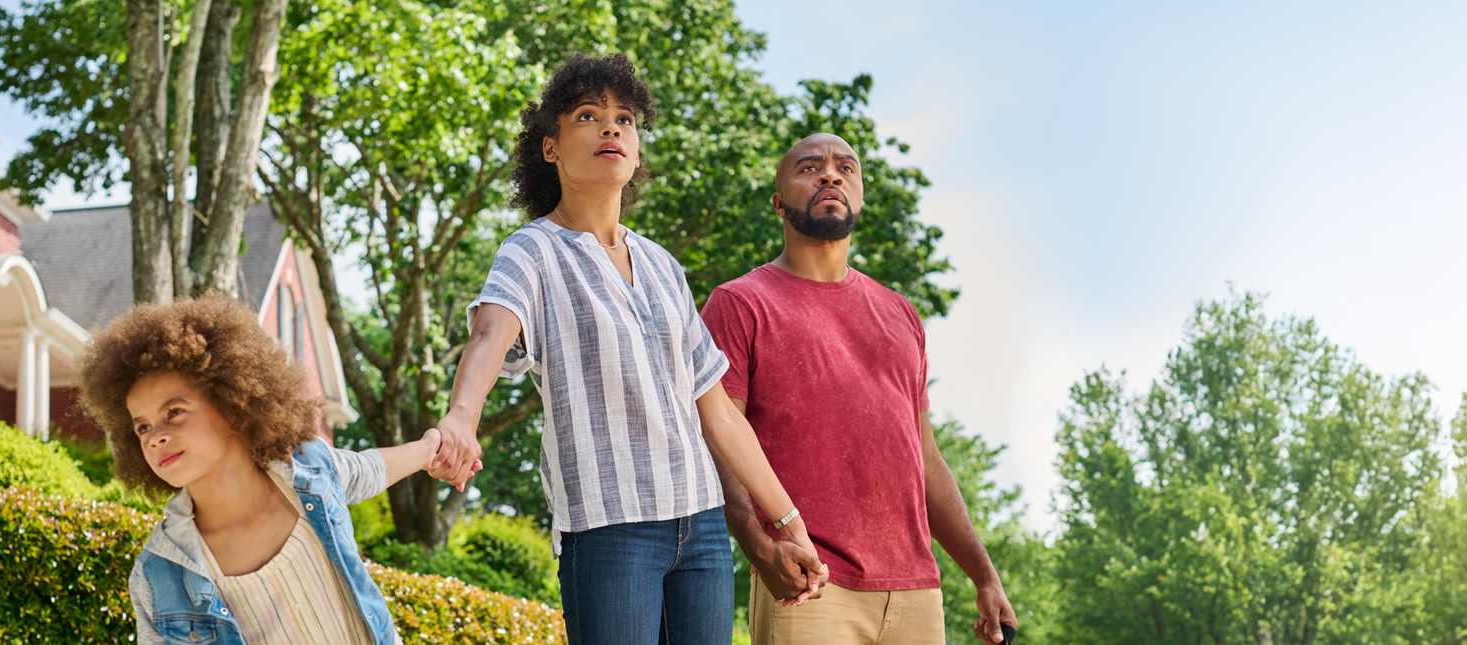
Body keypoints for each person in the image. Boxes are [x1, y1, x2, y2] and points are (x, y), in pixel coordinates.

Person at [427, 53, 828, 644]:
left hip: (703, 527)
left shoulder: (663, 266)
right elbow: (491, 331)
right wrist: (461, 418)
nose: (611, 128)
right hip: (609, 529)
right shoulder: (532, 250)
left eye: (625, 119)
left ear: (636, 150)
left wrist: (790, 523)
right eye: (588, 115)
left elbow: (716, 412)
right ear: (551, 147)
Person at [701, 133, 1021, 644]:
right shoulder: (739, 304)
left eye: (845, 168)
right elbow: (718, 437)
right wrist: (760, 547)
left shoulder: (901, 314)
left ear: (860, 194)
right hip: (810, 585)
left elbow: (926, 461)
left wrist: (984, 574)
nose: (830, 174)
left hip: (916, 589)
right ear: (778, 202)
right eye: (810, 167)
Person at [80, 298, 445, 645]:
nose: (156, 437)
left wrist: (432, 447)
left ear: (230, 403)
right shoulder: (159, 574)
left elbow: (368, 469)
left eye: (173, 412)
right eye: (142, 427)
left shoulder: (310, 471)